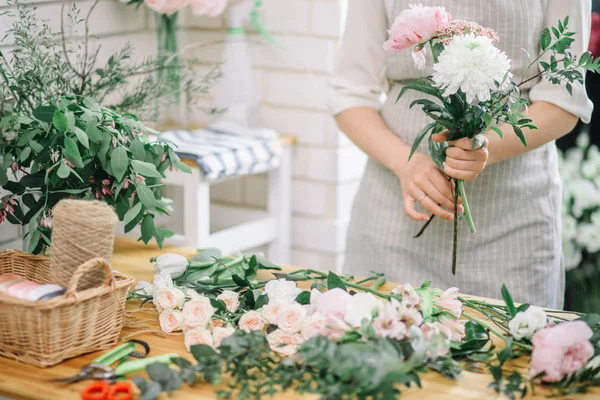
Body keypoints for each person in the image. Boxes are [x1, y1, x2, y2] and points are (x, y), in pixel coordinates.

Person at [329, 0, 593, 309]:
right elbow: (350, 91)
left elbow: (563, 104)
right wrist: (406, 163)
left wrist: (486, 147)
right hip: (392, 226)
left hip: (511, 228)